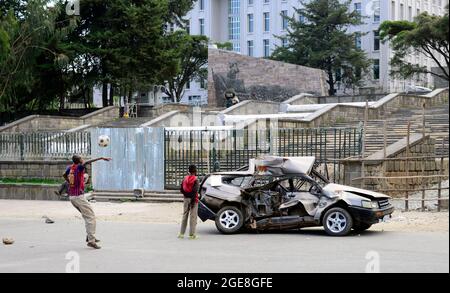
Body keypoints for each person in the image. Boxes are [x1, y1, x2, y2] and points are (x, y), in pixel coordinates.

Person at [64, 154, 111, 249]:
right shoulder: (79, 167)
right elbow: (88, 162)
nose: (83, 159)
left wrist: (69, 183)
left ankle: (89, 236)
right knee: (91, 217)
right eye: (82, 158)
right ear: (80, 161)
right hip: (78, 197)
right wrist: (101, 158)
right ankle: (91, 241)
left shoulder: (70, 168)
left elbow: (64, 175)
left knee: (87, 216)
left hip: (72, 197)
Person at [178, 165, 200, 240]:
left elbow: (181, 189)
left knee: (185, 215)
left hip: (185, 199)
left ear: (189, 171)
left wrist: (186, 195)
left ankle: (181, 233)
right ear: (195, 171)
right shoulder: (196, 179)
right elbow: (195, 191)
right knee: (193, 217)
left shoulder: (185, 178)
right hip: (193, 199)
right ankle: (192, 234)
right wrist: (193, 201)